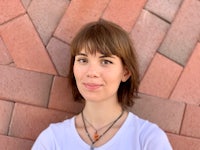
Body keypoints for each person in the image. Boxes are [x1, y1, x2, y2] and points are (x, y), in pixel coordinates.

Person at [32, 19, 172, 150]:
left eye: (105, 62)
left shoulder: (148, 139)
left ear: (125, 72)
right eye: (83, 60)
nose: (92, 72)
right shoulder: (52, 140)